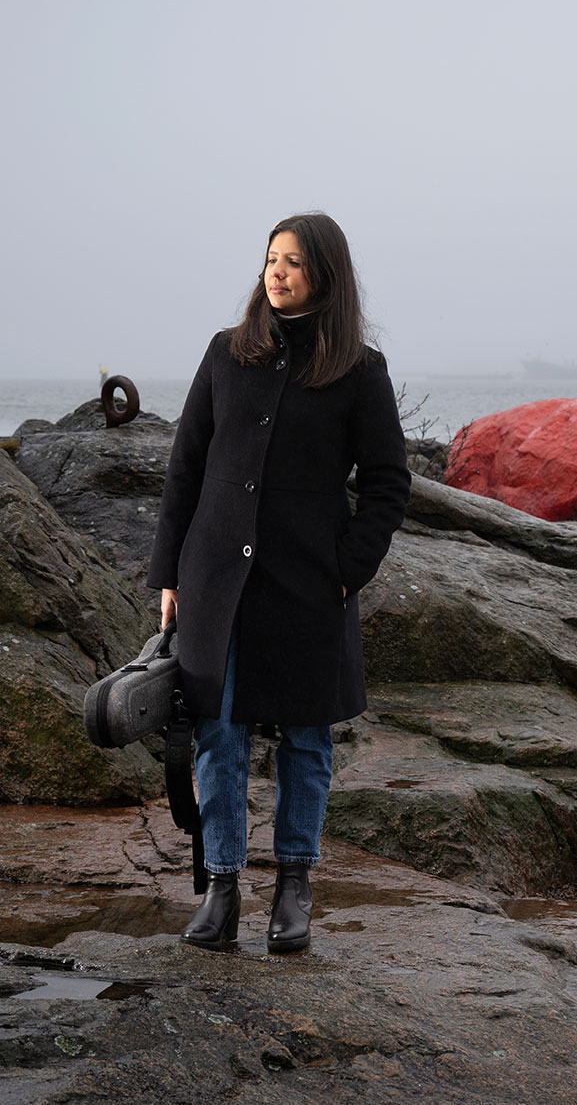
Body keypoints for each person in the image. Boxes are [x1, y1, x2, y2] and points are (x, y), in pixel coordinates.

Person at [146, 212, 411, 952]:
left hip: (306, 585)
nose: (278, 272)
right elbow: (185, 468)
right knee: (216, 731)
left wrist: (344, 569)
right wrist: (168, 572)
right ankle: (222, 889)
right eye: (271, 258)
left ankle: (294, 886)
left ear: (326, 274)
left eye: (294, 261)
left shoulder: (360, 370)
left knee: (304, 740)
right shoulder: (226, 354)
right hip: (214, 582)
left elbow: (389, 483)